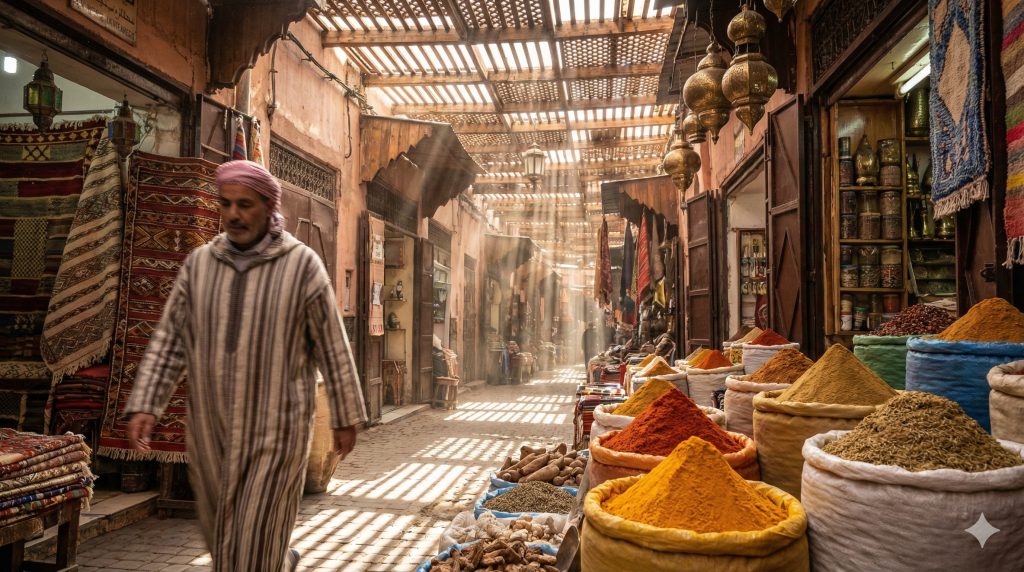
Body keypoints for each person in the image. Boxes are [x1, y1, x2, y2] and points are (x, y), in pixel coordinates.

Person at [124, 160, 367, 572]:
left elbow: (332, 342)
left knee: (252, 543)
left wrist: (345, 415)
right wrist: (147, 402)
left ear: (269, 206)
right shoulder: (200, 264)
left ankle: (272, 560)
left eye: (245, 204)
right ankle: (279, 562)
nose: (233, 214)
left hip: (277, 431)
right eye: (226, 204)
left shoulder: (301, 265)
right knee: (226, 542)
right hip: (210, 430)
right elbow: (170, 338)